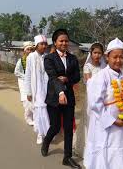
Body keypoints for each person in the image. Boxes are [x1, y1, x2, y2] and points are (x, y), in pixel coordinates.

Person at [83, 38, 123, 169]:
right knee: (105, 154)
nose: (118, 60)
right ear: (107, 57)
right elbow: (95, 104)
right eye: (115, 57)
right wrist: (112, 120)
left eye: (122, 57)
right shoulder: (100, 77)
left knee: (120, 154)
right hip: (105, 124)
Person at [41, 29, 81, 168]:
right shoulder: (49, 58)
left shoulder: (73, 58)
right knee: (56, 126)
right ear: (55, 42)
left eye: (66, 41)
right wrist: (60, 92)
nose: (64, 43)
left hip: (69, 97)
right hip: (54, 97)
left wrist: (66, 79)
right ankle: (46, 141)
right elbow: (52, 77)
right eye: (61, 41)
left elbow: (77, 77)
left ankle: (67, 157)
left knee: (69, 128)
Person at [24, 35, 50, 144]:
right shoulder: (31, 57)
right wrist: (28, 91)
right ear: (36, 45)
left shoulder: (47, 57)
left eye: (45, 44)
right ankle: (40, 133)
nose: (44, 46)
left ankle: (47, 132)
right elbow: (28, 75)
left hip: (46, 88)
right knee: (39, 110)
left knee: (46, 110)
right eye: (42, 44)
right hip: (36, 88)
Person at [14, 41, 34, 126]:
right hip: (23, 82)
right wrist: (26, 77)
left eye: (31, 49)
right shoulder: (21, 61)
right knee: (26, 100)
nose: (29, 51)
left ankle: (34, 117)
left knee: (33, 100)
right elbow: (16, 72)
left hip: (32, 82)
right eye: (28, 49)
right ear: (24, 51)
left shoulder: (34, 59)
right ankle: (28, 118)